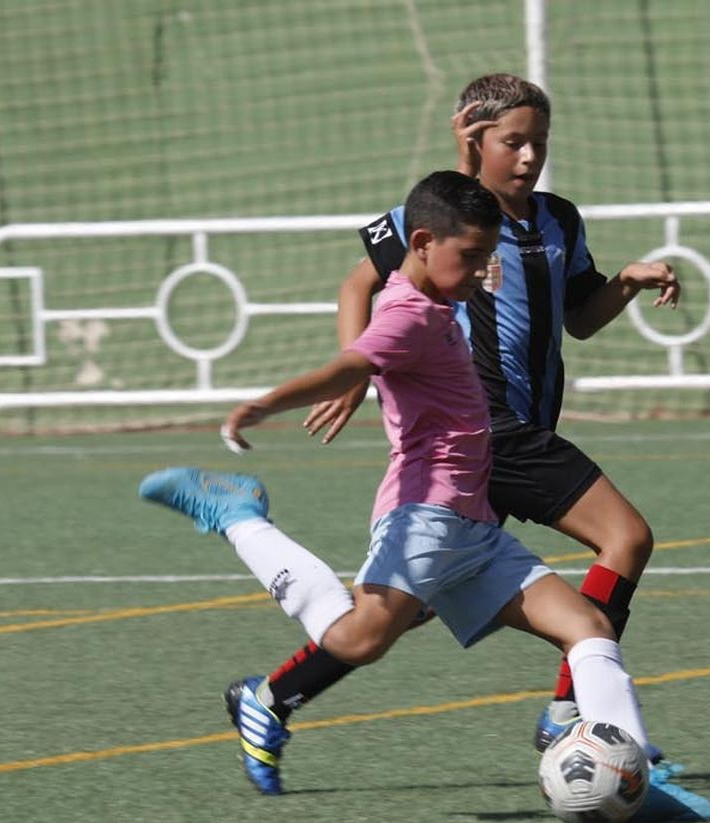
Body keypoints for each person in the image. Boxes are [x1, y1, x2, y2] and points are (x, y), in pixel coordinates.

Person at [141, 171, 710, 823]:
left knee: (587, 628)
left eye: (488, 257)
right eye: (472, 258)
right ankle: (238, 518)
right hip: (421, 519)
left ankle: (635, 765)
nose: (483, 272)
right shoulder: (409, 315)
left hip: (471, 527)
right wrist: (269, 401)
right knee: (357, 638)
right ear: (422, 243)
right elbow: (353, 364)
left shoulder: (434, 298)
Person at [284, 73, 686, 758]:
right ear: (477, 140)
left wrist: (624, 282)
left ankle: (273, 696)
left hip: (518, 435)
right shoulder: (448, 218)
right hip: (491, 427)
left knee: (405, 608)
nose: (529, 157)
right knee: (627, 538)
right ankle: (573, 712)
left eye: (539, 143)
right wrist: (358, 373)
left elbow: (580, 320)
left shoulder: (560, 218)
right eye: (513, 142)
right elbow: (359, 281)